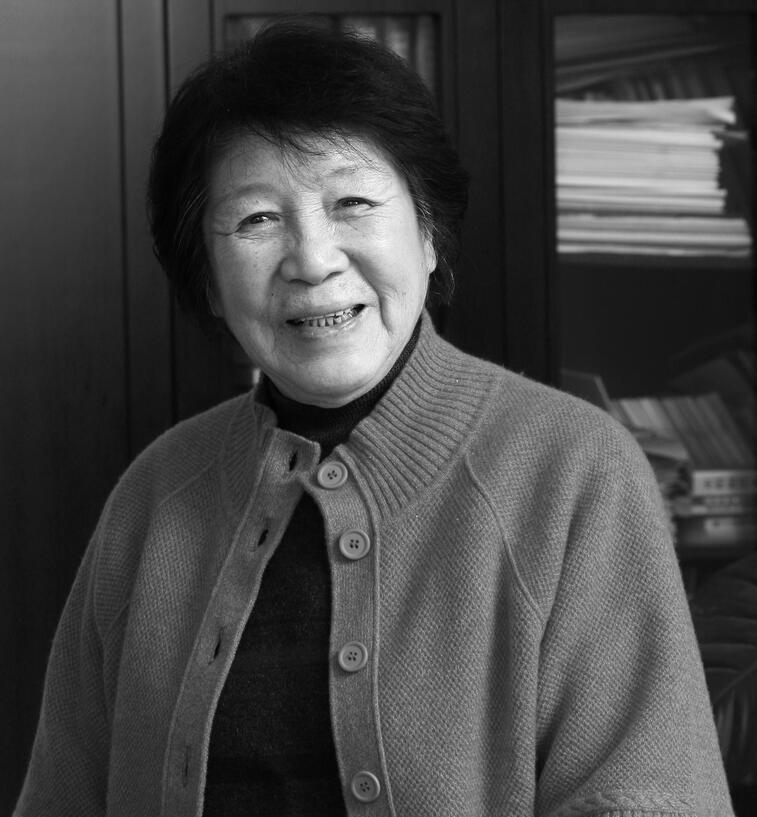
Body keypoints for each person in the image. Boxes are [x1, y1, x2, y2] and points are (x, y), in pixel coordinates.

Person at [15, 20, 733, 817]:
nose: (312, 259)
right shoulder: (155, 495)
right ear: (209, 281)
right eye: (256, 220)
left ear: (428, 234)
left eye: (351, 203)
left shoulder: (573, 470)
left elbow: (650, 798)